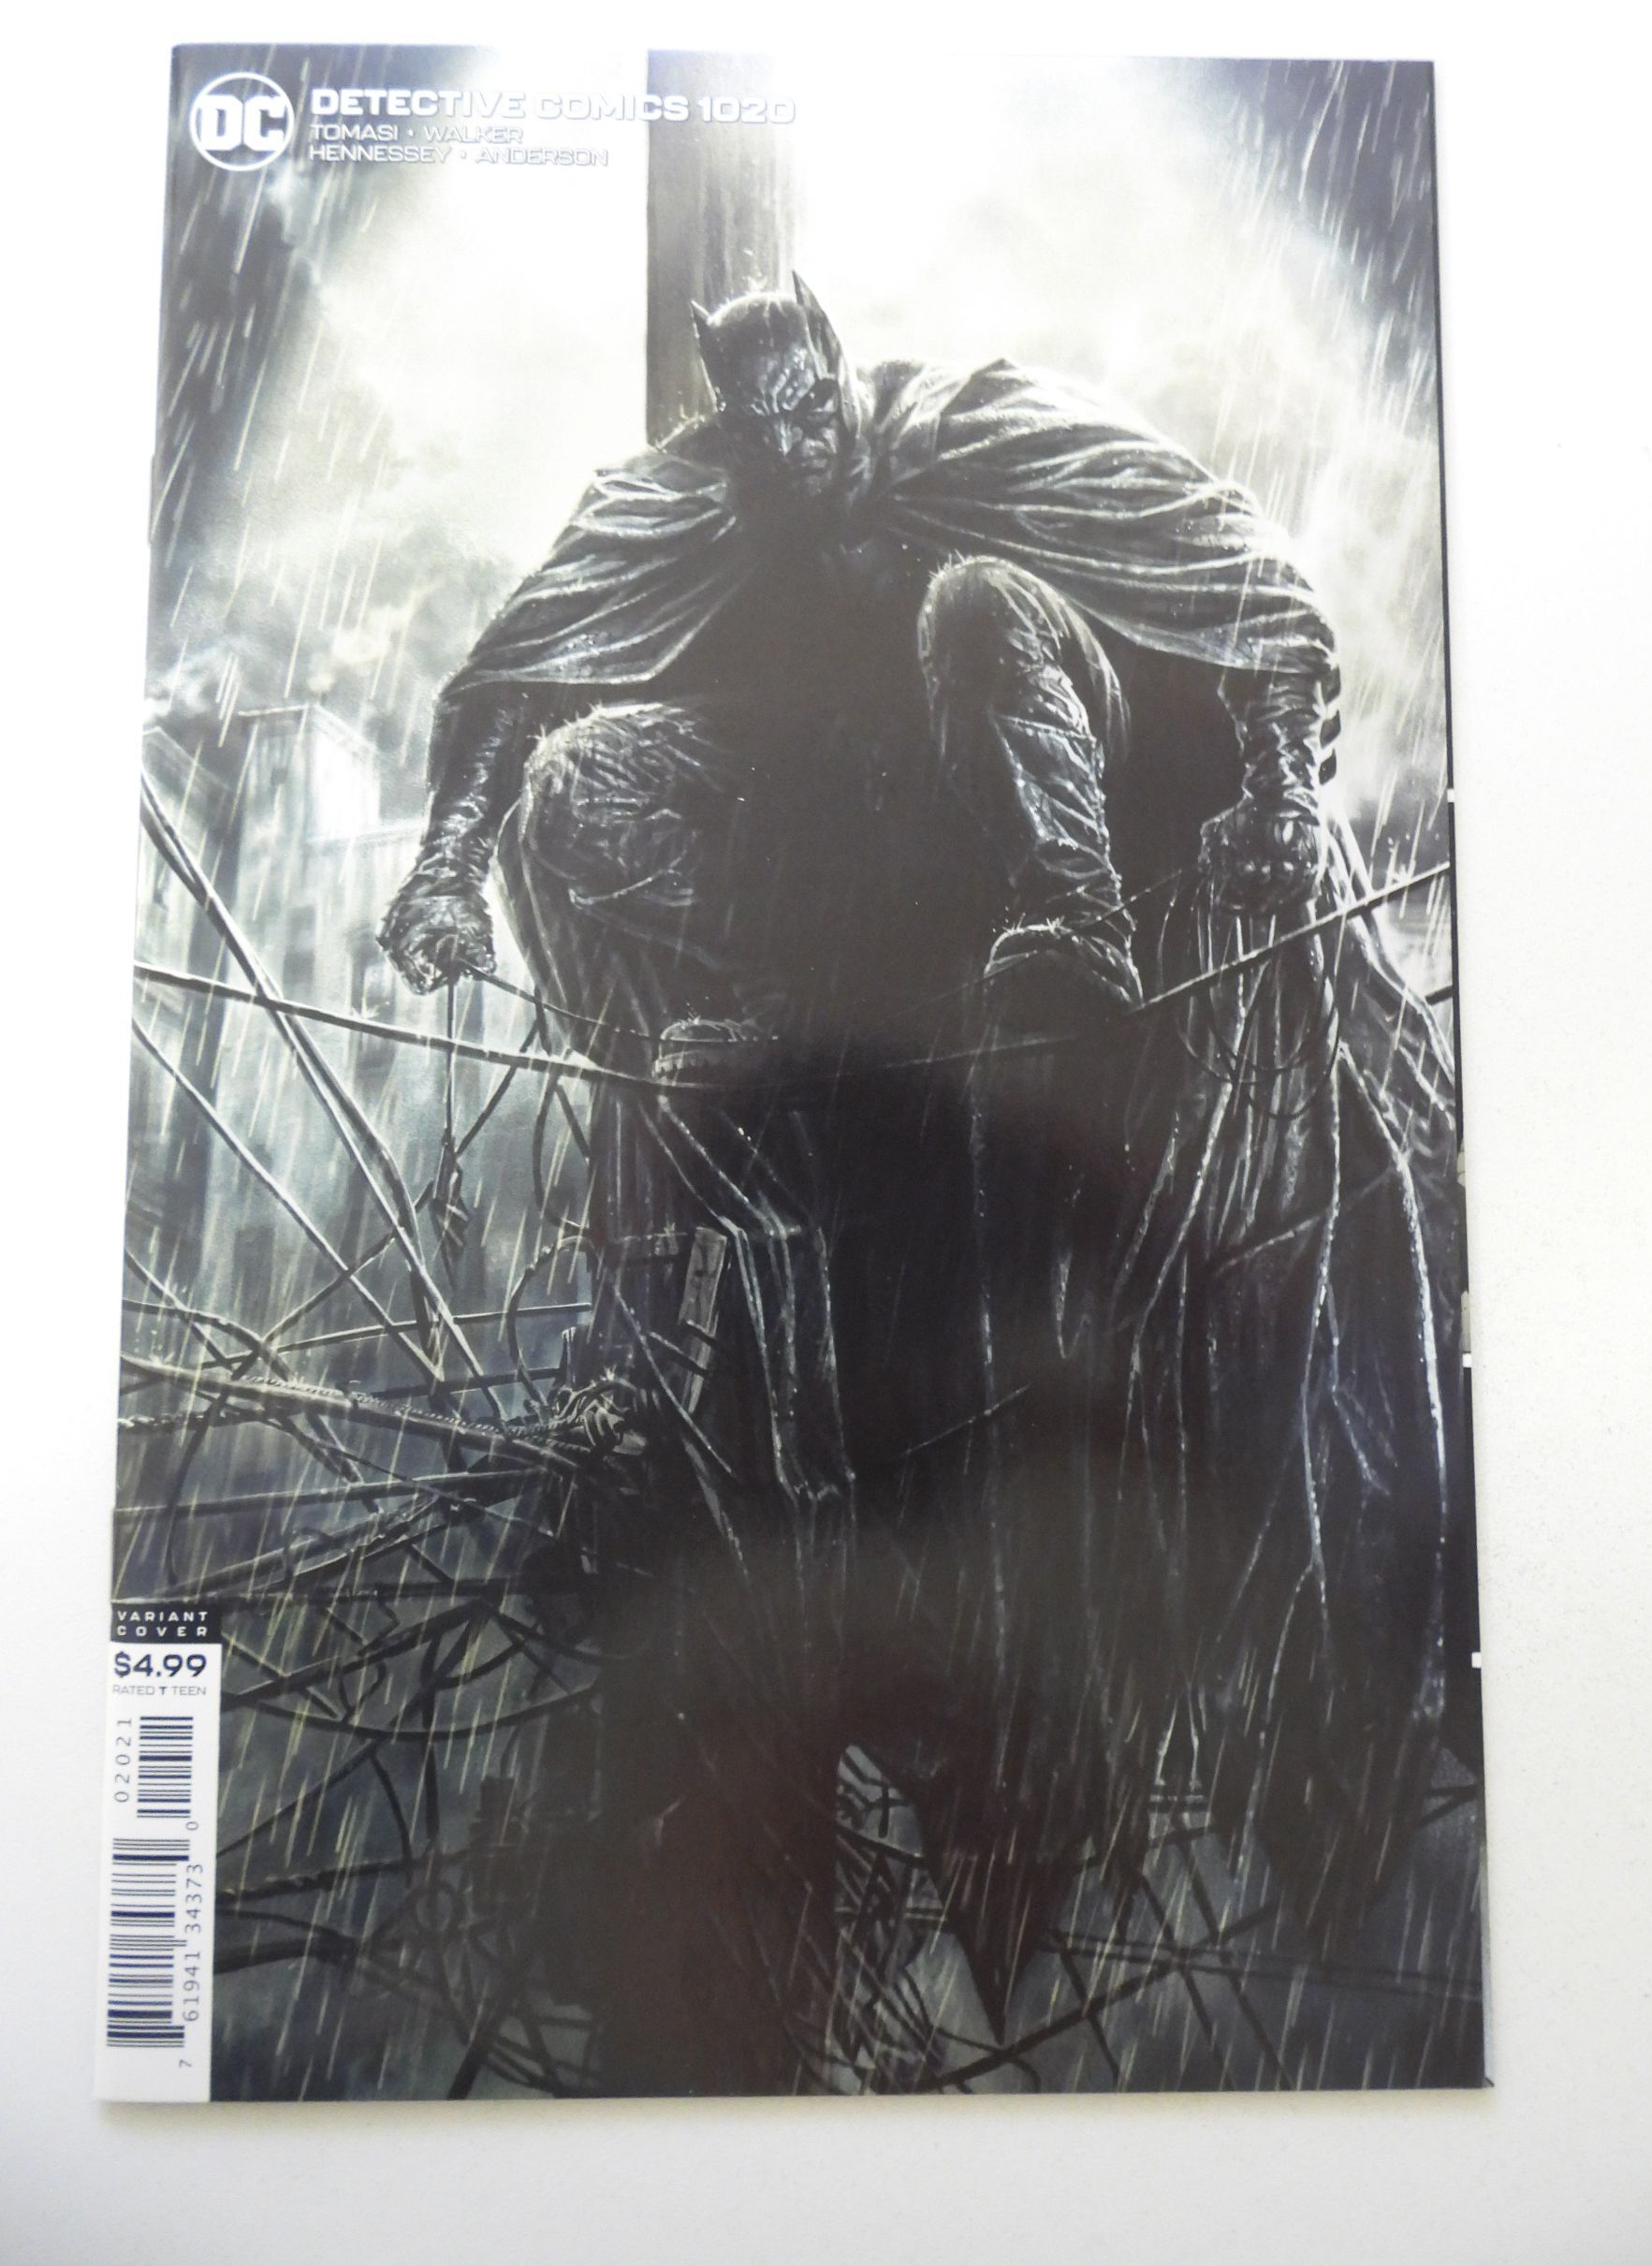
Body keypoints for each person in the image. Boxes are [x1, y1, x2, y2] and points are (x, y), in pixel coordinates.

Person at [379, 280, 1471, 2066]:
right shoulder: (693, 510)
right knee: (579, 781)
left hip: (1065, 814)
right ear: (729, 439)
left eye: (809, 416)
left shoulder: (971, 432)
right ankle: (748, 1050)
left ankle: (1073, 933)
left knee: (975, 604)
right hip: (846, 904)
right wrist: (447, 867)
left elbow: (1240, 582)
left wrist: (1278, 788)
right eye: (759, 441)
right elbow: (522, 684)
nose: (793, 456)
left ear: (837, 375)